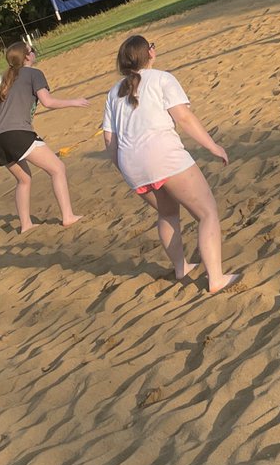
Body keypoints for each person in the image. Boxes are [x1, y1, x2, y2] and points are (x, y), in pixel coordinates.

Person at [102, 35, 239, 295]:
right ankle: (216, 278)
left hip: (131, 164)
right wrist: (213, 146)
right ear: (149, 53)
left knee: (167, 214)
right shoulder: (162, 79)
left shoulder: (113, 92)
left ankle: (181, 268)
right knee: (207, 213)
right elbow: (184, 118)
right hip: (163, 156)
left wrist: (125, 170)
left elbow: (110, 140)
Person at [0, 42, 88, 234]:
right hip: (17, 133)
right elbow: (48, 102)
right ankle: (68, 216)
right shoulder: (34, 73)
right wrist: (74, 102)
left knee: (24, 180)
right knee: (58, 168)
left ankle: (26, 225)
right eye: (32, 50)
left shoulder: (8, 80)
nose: (34, 52)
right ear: (27, 57)